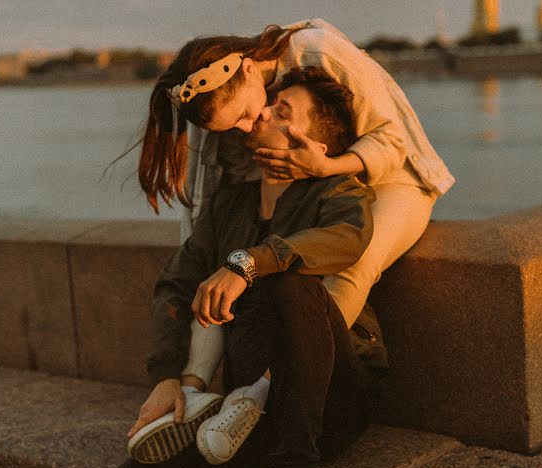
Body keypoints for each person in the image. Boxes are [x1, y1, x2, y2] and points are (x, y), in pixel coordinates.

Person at [84, 67, 387, 468]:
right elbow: (176, 284)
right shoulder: (230, 203)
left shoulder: (337, 189)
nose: (261, 113)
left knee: (288, 282)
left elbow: (346, 239)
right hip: (250, 410)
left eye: (281, 110)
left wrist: (249, 262)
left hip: (330, 397)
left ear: (311, 140)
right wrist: (168, 376)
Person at [139, 17, 453, 333]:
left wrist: (325, 167)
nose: (246, 129)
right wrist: (204, 255)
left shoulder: (317, 50)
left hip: (399, 180)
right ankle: (260, 380)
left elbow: (392, 140)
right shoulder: (223, 97)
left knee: (355, 264)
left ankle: (273, 382)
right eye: (234, 126)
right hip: (327, 193)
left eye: (245, 117)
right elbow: (206, 192)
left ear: (248, 69)